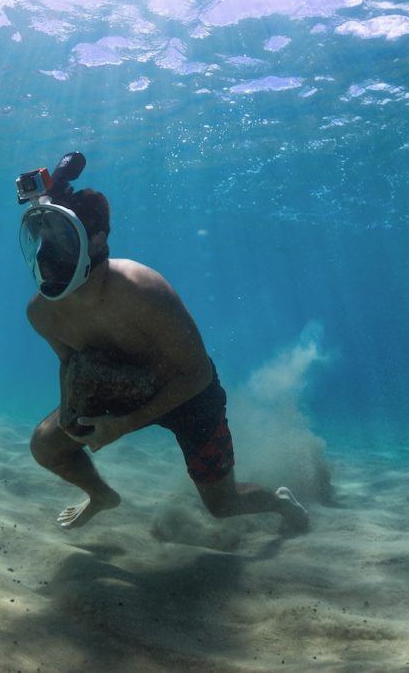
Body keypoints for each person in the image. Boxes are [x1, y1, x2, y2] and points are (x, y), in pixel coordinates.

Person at [21, 175, 309, 534]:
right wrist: (72, 417)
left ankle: (279, 503)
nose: (46, 255)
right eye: (41, 239)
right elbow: (69, 362)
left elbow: (197, 374)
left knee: (222, 505)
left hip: (188, 393)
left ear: (96, 240)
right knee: (46, 445)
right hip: (115, 384)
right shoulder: (42, 312)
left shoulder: (144, 290)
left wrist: (123, 425)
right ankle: (100, 495)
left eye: (61, 239)